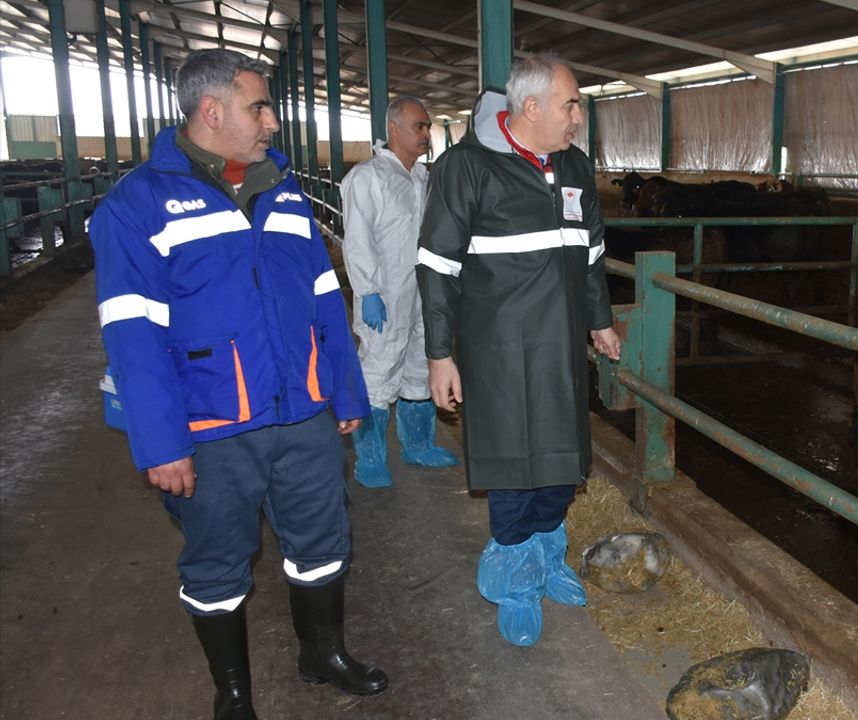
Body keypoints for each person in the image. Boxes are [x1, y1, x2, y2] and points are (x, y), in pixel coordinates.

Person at [90, 49, 388, 719]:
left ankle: (323, 653)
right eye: (260, 107)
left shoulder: (281, 189)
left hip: (301, 413)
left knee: (323, 542)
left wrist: (344, 391)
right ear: (212, 110)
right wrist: (161, 443)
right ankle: (233, 694)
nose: (272, 122)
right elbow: (131, 334)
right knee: (217, 563)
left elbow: (323, 295)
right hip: (211, 425)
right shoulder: (138, 205)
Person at [417, 54, 622, 648]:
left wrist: (601, 321)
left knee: (561, 461)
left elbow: (590, 254)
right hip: (498, 350)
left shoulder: (576, 166)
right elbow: (436, 265)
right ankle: (513, 581)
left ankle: (546, 556)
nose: (578, 117)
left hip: (559, 345)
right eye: (570, 105)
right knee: (512, 465)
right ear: (530, 108)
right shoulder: (467, 167)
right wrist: (439, 354)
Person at [341, 96, 459, 488]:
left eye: (428, 127)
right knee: (379, 370)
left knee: (420, 367)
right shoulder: (367, 178)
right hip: (385, 294)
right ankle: (371, 458)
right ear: (393, 129)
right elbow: (357, 240)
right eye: (419, 126)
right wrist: (368, 291)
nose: (426, 133)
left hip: (423, 292)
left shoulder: (424, 177)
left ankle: (419, 444)